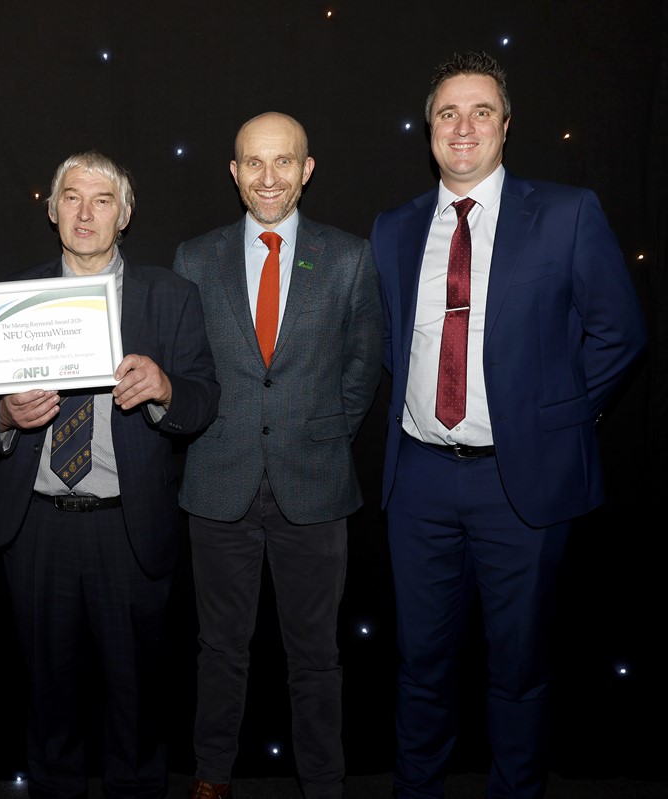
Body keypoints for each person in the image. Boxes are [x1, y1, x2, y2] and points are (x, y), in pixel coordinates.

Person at [371, 51, 646, 799]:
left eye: (480, 111)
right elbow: (392, 344)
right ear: (428, 129)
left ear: (506, 125)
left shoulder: (567, 212)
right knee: (420, 663)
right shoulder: (392, 229)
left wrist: (551, 422)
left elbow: (619, 332)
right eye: (447, 113)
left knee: (518, 667)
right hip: (419, 479)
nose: (463, 127)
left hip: (519, 483)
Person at [0, 151, 219, 799]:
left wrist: (163, 388)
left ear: (124, 215)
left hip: (128, 529)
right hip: (37, 528)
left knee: (136, 705)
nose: (84, 212)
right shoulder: (9, 298)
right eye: (71, 197)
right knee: (49, 702)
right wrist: (8, 417)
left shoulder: (171, 295)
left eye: (102, 200)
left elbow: (204, 397)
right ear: (51, 209)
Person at [173, 113, 382, 799]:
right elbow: (187, 364)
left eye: (283, 162)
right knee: (219, 651)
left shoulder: (348, 256)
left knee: (316, 656)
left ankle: (323, 783)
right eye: (254, 163)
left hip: (315, 486)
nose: (269, 178)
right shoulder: (194, 257)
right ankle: (212, 777)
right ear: (234, 173)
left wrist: (323, 434)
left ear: (307, 169)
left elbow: (362, 363)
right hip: (219, 482)